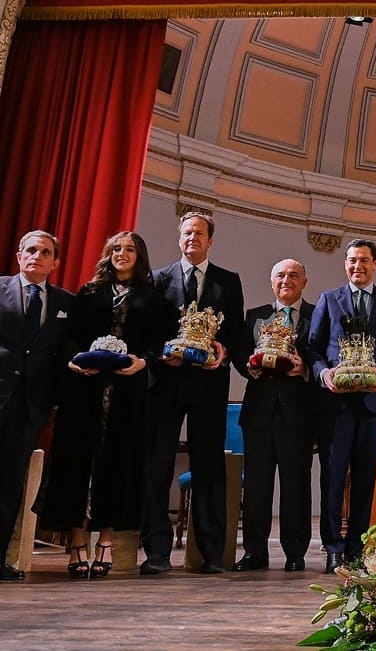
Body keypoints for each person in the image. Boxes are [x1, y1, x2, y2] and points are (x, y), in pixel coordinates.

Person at [40, 232, 172, 579]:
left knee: (118, 462)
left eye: (129, 249)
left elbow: (159, 340)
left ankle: (106, 541)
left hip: (128, 392)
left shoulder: (151, 296)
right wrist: (74, 361)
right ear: (108, 254)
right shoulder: (90, 292)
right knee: (78, 461)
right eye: (116, 248)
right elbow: (71, 336)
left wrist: (143, 361)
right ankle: (77, 540)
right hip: (85, 388)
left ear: (139, 256)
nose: (121, 254)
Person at [142, 212, 244, 575]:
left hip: (209, 384)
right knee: (157, 465)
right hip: (165, 384)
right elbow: (147, 329)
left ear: (210, 240)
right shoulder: (157, 279)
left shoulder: (228, 281)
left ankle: (210, 552)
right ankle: (156, 551)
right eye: (187, 233)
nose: (192, 238)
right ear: (179, 237)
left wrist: (223, 350)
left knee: (209, 465)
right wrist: (160, 353)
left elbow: (236, 331)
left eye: (199, 233)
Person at [310, 239, 376, 574]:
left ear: (375, 263)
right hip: (335, 405)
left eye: (364, 260)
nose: (357, 266)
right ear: (345, 263)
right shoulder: (328, 299)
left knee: (365, 480)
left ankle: (356, 548)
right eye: (352, 260)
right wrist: (324, 375)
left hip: (372, 404)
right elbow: (314, 349)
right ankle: (333, 548)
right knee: (333, 478)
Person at [230, 258, 315, 572]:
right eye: (280, 275)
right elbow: (240, 352)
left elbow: (323, 353)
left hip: (298, 414)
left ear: (304, 282)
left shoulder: (317, 314)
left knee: (296, 487)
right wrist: (249, 367)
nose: (286, 280)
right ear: (271, 281)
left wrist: (305, 368)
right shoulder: (255, 315)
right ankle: (255, 552)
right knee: (256, 487)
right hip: (259, 414)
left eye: (293, 275)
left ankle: (295, 553)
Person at [0, 230, 73, 582]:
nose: (37, 256)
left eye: (45, 252)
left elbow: (64, 355)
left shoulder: (65, 303)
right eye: (30, 250)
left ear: (55, 262)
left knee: (10, 483)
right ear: (19, 256)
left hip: (31, 406)